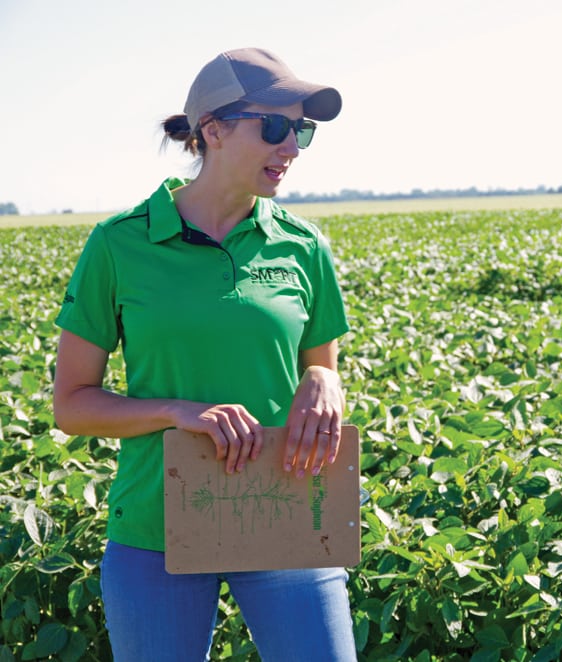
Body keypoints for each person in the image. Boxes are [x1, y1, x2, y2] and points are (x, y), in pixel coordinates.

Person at [52, 47, 356, 661]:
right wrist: (176, 412)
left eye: (301, 131)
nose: (291, 146)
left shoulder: (303, 246)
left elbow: (321, 365)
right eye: (274, 127)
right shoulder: (119, 244)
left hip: (287, 515)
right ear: (212, 131)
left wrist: (324, 381)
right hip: (154, 530)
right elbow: (72, 406)